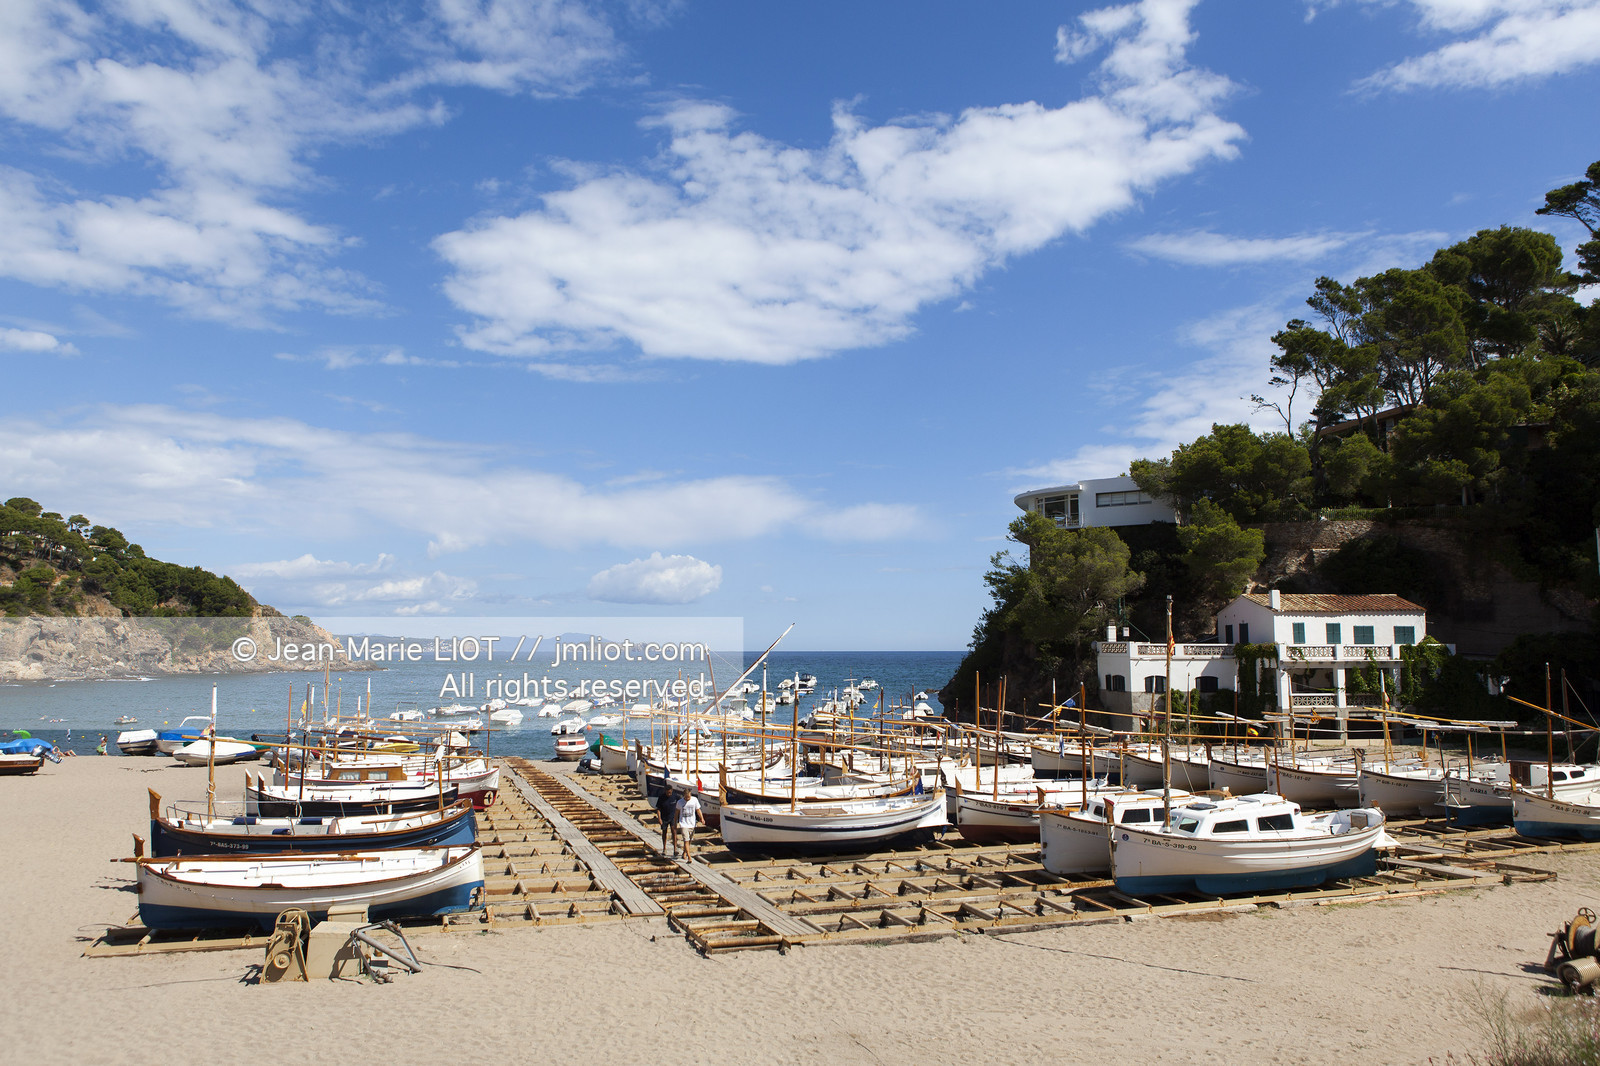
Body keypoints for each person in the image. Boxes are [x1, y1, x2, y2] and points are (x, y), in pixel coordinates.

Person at [678, 787, 703, 862]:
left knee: (689, 841)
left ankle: (684, 853)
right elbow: (676, 812)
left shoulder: (694, 800)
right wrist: (675, 822)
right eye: (686, 797)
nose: (687, 799)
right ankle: (689, 857)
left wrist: (702, 818)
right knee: (686, 840)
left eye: (688, 797)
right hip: (683, 823)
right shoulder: (680, 802)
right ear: (683, 796)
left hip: (692, 823)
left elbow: (698, 810)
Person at [657, 785, 680, 857]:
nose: (669, 794)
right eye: (667, 793)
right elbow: (658, 809)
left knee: (674, 832)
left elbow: (679, 806)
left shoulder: (675, 797)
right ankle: (664, 848)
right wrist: (659, 818)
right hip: (664, 818)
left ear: (672, 791)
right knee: (664, 832)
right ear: (665, 791)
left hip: (672, 817)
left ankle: (675, 849)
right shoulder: (661, 797)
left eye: (670, 792)